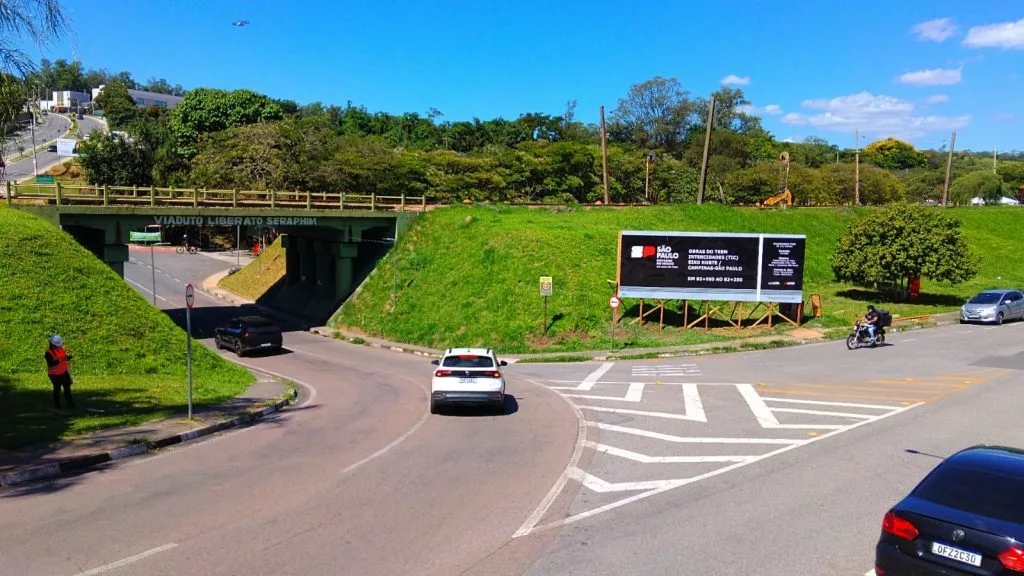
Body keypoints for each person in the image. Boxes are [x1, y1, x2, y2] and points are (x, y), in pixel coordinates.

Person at [44, 334, 75, 409]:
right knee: (57, 389)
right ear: (52, 344)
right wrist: (63, 359)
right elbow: (51, 364)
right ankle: (57, 405)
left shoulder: (61, 349)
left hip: (64, 372)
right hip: (54, 375)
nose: (59, 346)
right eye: (57, 345)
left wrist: (67, 358)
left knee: (67, 389)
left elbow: (63, 359)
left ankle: (70, 404)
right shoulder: (48, 353)